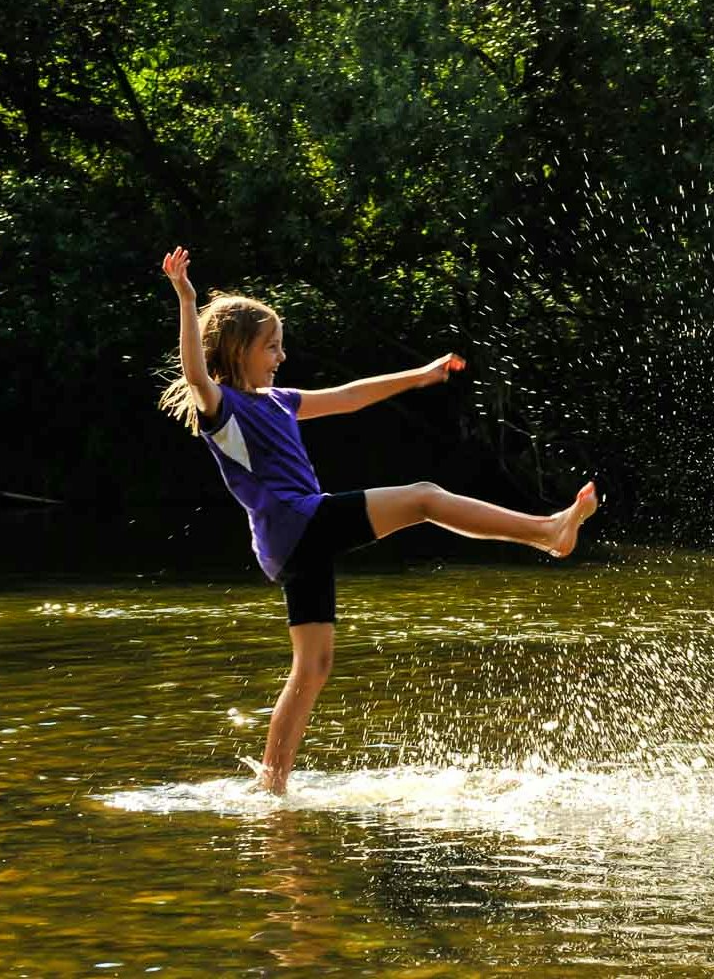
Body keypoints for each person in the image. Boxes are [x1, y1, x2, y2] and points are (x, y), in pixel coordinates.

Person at [157, 245, 598, 795]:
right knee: (424, 497)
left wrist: (420, 375)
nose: (281, 355)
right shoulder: (221, 408)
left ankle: (271, 789)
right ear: (239, 349)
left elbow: (348, 397)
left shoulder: (278, 400)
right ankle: (547, 532)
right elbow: (195, 373)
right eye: (271, 346)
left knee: (312, 669)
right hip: (299, 523)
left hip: (293, 545)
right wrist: (186, 297)